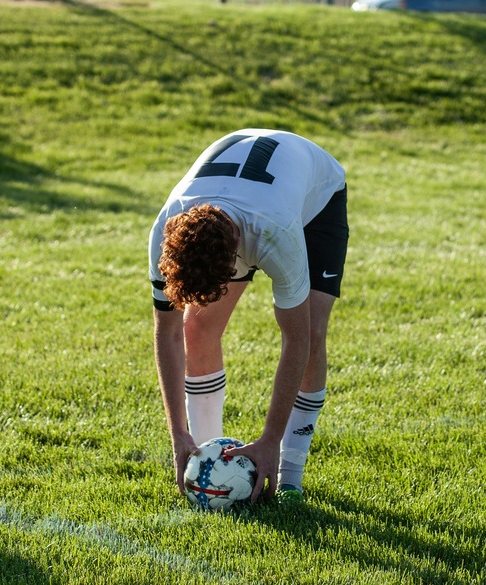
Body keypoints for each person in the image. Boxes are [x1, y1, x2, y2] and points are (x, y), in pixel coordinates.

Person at [148, 129, 348, 504]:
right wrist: (178, 433)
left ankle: (290, 475)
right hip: (243, 198)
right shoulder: (166, 230)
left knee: (314, 330)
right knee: (195, 325)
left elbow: (296, 339)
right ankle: (206, 456)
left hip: (316, 197)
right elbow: (168, 333)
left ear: (236, 259)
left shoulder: (274, 236)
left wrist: (269, 439)